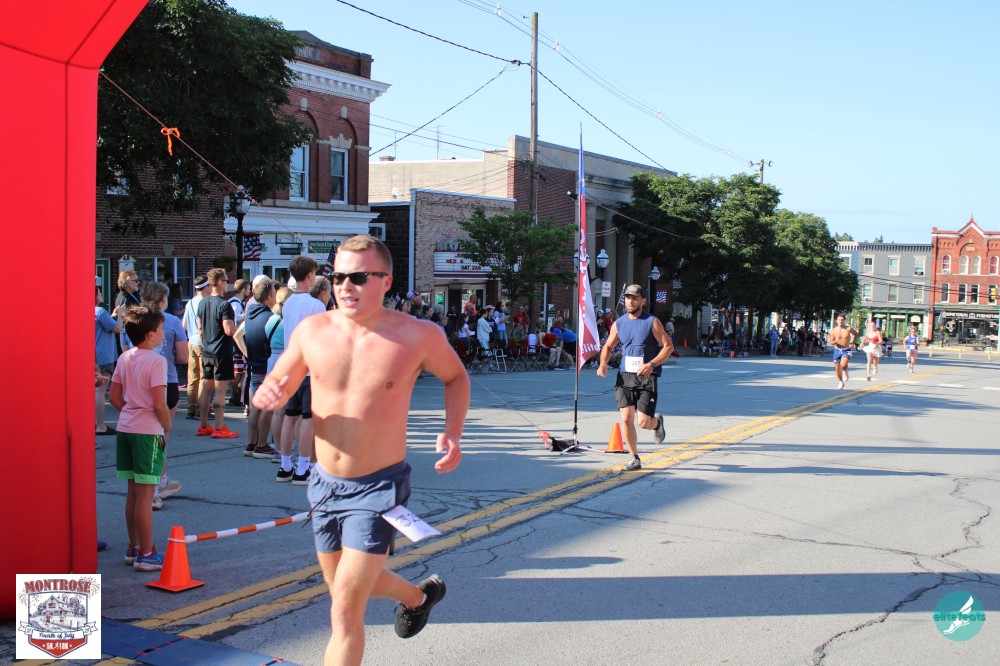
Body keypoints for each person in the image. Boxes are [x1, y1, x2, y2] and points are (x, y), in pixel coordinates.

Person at [251, 235, 469, 665]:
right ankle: (417, 596)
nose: (345, 286)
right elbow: (283, 379)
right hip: (324, 483)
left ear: (385, 281)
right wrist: (270, 391)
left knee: (344, 609)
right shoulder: (313, 330)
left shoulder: (418, 335)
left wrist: (453, 431)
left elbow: (456, 377)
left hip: (379, 487)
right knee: (340, 588)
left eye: (358, 277)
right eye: (338, 277)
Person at [108, 306, 171, 571]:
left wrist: (130, 412)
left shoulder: (125, 357)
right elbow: (159, 403)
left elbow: (114, 397)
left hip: (126, 429)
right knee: (146, 494)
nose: (163, 333)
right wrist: (166, 425)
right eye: (160, 329)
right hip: (147, 432)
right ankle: (147, 553)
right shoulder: (157, 361)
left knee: (133, 492)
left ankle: (134, 547)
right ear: (150, 334)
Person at [596, 284, 672, 471]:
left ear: (643, 301)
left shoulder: (652, 322)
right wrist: (603, 364)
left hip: (647, 376)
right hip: (625, 377)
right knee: (626, 418)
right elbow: (608, 346)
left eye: (635, 298)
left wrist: (652, 364)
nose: (631, 301)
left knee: (644, 422)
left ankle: (657, 423)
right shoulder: (619, 323)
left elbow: (668, 347)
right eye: (628, 297)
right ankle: (634, 457)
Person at [277, 256, 326, 486]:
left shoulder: (288, 303)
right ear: (309, 276)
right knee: (308, 419)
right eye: (314, 273)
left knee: (290, 417)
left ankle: (285, 465)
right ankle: (303, 468)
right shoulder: (316, 305)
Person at [141, 281, 188, 509]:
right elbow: (183, 357)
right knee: (160, 437)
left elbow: (126, 350)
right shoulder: (171, 321)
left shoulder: (133, 320)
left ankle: (158, 482)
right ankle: (156, 486)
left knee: (144, 436)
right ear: (162, 300)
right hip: (166, 381)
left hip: (138, 382)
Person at [196, 268, 239, 438]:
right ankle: (219, 428)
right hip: (222, 352)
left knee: (206, 389)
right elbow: (228, 330)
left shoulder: (202, 303)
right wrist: (240, 330)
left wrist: (205, 344)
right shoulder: (224, 304)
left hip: (207, 351)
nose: (228, 283)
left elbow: (200, 328)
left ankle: (203, 425)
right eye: (227, 280)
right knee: (220, 391)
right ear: (220, 282)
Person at [243, 279, 280, 460]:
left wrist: (248, 353)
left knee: (256, 407)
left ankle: (251, 443)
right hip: (265, 366)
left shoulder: (249, 313)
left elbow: (239, 334)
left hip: (254, 365)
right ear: (268, 297)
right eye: (274, 294)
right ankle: (262, 445)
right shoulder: (270, 318)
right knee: (267, 408)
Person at [96, 283, 123, 435]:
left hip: (95, 354)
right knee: (100, 391)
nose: (101, 295)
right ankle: (100, 425)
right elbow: (118, 328)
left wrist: (113, 315)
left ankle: (95, 423)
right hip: (105, 355)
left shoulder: (91, 311)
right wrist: (120, 315)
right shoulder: (100, 311)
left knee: (94, 391)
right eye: (99, 292)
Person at [182, 276, 209, 420]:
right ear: (206, 287)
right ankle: (201, 409)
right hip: (201, 342)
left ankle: (191, 407)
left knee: (192, 377)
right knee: (204, 377)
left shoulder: (190, 302)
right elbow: (202, 327)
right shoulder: (205, 303)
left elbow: (184, 325)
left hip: (191, 342)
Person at [228, 279, 251, 406]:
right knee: (239, 370)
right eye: (248, 289)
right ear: (243, 290)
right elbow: (235, 322)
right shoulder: (236, 305)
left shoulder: (232, 301)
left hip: (233, 342)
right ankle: (234, 395)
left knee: (239, 369)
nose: (249, 291)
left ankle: (235, 394)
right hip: (236, 342)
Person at [828, 313, 859, 390]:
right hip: (837, 350)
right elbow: (831, 342)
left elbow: (856, 334)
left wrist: (853, 343)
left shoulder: (848, 329)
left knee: (842, 365)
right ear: (836, 320)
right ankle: (840, 382)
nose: (840, 321)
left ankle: (845, 371)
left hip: (846, 349)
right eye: (839, 320)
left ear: (844, 320)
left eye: (842, 320)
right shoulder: (833, 330)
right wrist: (836, 340)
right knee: (837, 368)